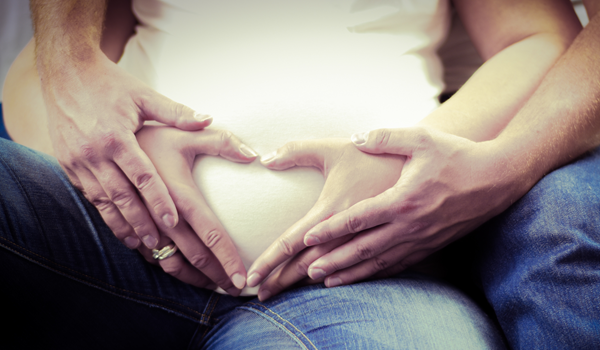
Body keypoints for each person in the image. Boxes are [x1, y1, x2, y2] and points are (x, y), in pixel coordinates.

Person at [0, 0, 586, 348]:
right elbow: (50, 77)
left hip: (364, 278)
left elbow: (538, 37)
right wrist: (123, 181)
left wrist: (403, 162)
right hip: (103, 243)